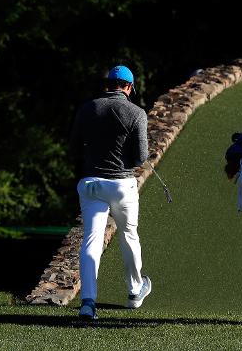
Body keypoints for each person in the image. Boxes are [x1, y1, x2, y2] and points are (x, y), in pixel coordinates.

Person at [68, 65, 151, 320]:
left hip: (92, 183)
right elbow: (140, 158)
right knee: (128, 235)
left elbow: (73, 150)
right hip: (121, 185)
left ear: (108, 85)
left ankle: (87, 303)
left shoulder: (87, 109)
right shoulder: (136, 112)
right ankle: (135, 290)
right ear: (128, 87)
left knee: (91, 240)